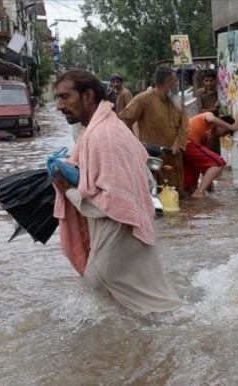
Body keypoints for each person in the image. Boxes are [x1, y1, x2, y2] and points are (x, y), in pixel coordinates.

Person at [51, 68, 181, 314]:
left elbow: (110, 202)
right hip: (133, 238)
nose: (59, 106)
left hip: (114, 244)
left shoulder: (103, 135)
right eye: (57, 98)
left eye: (64, 97)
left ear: (88, 96)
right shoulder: (111, 128)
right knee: (159, 308)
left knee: (98, 308)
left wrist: (68, 190)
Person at [120, 67, 188, 196]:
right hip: (152, 158)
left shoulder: (178, 101)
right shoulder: (143, 99)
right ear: (168, 82)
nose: (178, 85)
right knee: (151, 194)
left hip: (173, 157)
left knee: (175, 197)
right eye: (176, 81)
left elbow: (184, 127)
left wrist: (177, 146)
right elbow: (123, 120)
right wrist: (132, 144)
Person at [184, 112, 238, 197]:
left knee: (190, 188)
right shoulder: (209, 116)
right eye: (225, 132)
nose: (223, 135)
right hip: (188, 142)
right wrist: (231, 127)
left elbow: (205, 163)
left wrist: (208, 182)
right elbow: (211, 119)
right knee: (218, 163)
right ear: (222, 124)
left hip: (186, 148)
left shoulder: (208, 135)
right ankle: (199, 193)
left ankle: (194, 196)